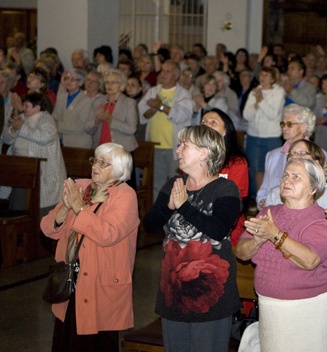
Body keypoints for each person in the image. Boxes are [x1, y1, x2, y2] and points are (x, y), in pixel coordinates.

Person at [142, 125, 241, 352]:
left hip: (211, 295)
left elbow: (218, 228)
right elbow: (149, 225)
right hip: (173, 293)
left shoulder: (225, 188)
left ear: (205, 154)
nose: (178, 150)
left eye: (185, 145)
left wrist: (184, 207)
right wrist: (169, 206)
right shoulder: (174, 184)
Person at [41, 142, 139, 352]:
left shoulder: (125, 196)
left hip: (101, 286)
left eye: (103, 163)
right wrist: (65, 207)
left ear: (118, 170)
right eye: (94, 160)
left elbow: (108, 234)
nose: (95, 166)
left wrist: (79, 209)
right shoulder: (81, 188)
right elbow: (48, 228)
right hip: (74, 284)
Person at [236, 158, 327, 352]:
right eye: (285, 175)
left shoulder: (321, 219)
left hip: (308, 310)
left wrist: (275, 235)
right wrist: (258, 241)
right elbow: (241, 252)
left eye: (296, 177)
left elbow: (310, 260)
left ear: (314, 188)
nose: (287, 181)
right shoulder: (268, 212)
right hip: (272, 309)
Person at [2, 92, 66, 215]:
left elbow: (43, 137)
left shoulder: (47, 119)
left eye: (26, 106)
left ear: (37, 107)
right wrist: (14, 129)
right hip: (19, 166)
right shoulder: (24, 118)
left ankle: (32, 225)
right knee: (17, 201)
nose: (23, 108)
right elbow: (6, 139)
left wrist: (22, 127)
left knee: (36, 204)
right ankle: (17, 219)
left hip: (39, 169)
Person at [138, 60, 193, 199]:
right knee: (157, 185)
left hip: (175, 147)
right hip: (155, 146)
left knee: (176, 184)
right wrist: (155, 108)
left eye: (168, 71)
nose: (163, 74)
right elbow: (142, 113)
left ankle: (175, 217)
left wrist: (161, 106)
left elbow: (182, 115)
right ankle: (160, 217)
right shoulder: (153, 91)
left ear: (176, 75)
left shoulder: (183, 94)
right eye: (162, 70)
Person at [201, 108, 249, 245]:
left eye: (213, 122)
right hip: (196, 222)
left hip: (226, 227)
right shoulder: (193, 158)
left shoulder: (237, 163)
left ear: (225, 131)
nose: (207, 125)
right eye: (204, 122)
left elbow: (232, 204)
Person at [255, 104, 316, 208]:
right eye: (283, 124)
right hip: (272, 211)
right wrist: (262, 201)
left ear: (304, 127)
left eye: (289, 124)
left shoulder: (316, 154)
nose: (285, 128)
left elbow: (318, 191)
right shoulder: (272, 156)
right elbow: (264, 189)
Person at [243, 66, 285, 197]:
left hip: (271, 137)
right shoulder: (254, 92)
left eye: (266, 75)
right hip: (253, 136)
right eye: (261, 75)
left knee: (272, 169)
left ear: (272, 78)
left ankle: (272, 199)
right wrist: (256, 103)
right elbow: (246, 115)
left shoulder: (278, 91)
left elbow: (273, 113)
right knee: (255, 168)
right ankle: (258, 199)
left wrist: (260, 100)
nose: (263, 78)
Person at [265, 139, 327, 208]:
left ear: (316, 164)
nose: (294, 156)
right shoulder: (275, 194)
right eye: (291, 154)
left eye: (302, 153)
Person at [85, 69, 138, 155]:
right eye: (107, 82)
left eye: (113, 83)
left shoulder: (129, 103)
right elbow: (87, 128)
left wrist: (110, 120)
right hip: (101, 149)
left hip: (122, 150)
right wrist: (97, 120)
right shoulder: (98, 101)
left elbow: (131, 129)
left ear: (122, 85)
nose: (109, 85)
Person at [50, 69, 94, 148]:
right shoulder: (62, 97)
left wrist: (58, 125)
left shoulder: (86, 101)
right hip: (61, 142)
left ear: (80, 82)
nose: (68, 81)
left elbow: (80, 126)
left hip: (79, 143)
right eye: (67, 78)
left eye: (72, 79)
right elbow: (54, 117)